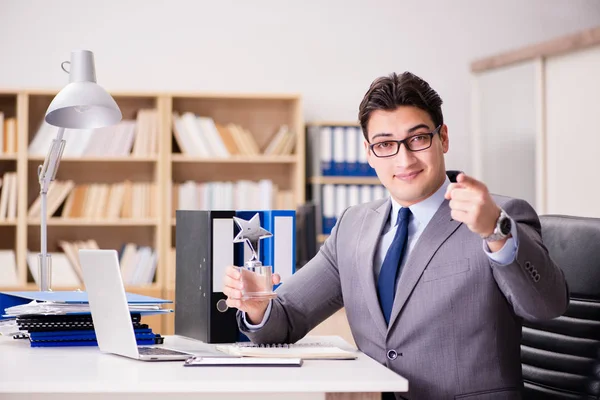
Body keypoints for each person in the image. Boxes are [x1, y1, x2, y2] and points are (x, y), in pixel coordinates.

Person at [223, 71, 569, 399]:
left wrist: (496, 231)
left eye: (418, 138)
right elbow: (284, 319)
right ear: (369, 153)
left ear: (442, 138)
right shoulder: (352, 227)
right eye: (385, 144)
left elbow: (547, 306)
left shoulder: (498, 216)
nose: (404, 160)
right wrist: (257, 307)